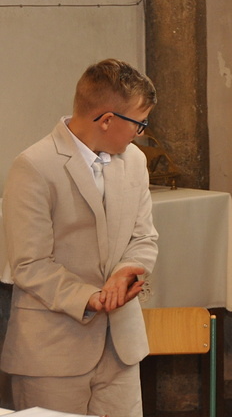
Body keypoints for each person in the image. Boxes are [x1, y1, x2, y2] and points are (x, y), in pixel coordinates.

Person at [2, 58, 159, 416]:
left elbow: (144, 236)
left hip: (120, 347)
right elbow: (30, 263)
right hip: (52, 352)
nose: (140, 133)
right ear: (107, 120)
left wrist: (125, 272)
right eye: (139, 123)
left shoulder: (135, 162)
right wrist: (90, 297)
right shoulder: (35, 166)